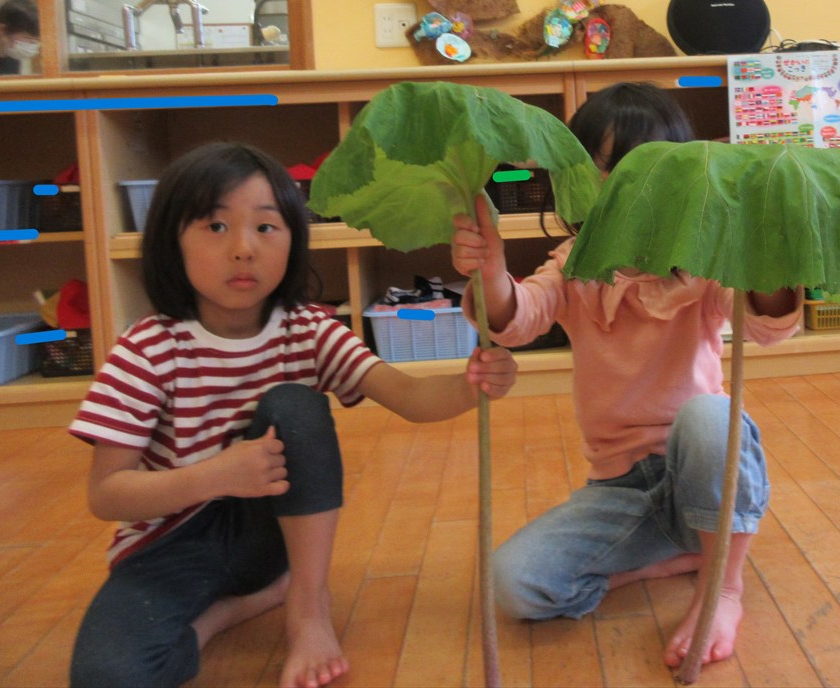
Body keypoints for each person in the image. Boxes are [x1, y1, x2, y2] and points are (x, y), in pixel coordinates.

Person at [68, 142, 517, 688]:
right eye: (215, 226)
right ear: (171, 240)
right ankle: (230, 612)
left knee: (295, 406)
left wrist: (472, 385)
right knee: (105, 677)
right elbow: (107, 494)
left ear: (293, 240)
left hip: (269, 538)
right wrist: (217, 475)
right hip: (169, 546)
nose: (243, 249)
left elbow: (408, 396)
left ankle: (307, 606)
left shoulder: (307, 329)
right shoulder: (146, 349)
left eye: (266, 227)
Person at [450, 83, 802, 670]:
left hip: (701, 470)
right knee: (513, 583)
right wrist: (490, 269)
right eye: (606, 167)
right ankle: (669, 557)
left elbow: (769, 324)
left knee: (708, 414)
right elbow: (516, 317)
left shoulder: (703, 259)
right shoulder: (576, 263)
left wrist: (764, 246)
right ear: (576, 180)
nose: (625, 184)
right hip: (620, 491)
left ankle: (724, 586)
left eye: (647, 166)